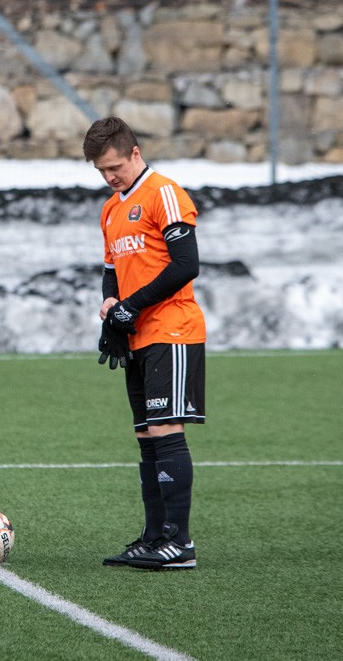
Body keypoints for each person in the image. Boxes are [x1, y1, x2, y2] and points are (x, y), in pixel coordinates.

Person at [83, 117, 206, 570]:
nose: (109, 176)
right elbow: (111, 271)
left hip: (172, 329)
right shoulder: (110, 209)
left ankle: (179, 542)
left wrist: (131, 306)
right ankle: (154, 537)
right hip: (138, 336)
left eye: (115, 167)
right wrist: (111, 309)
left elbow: (186, 265)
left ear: (135, 153)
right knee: (146, 435)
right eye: (101, 170)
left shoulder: (164, 193)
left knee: (165, 430)